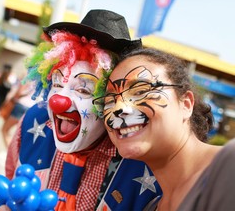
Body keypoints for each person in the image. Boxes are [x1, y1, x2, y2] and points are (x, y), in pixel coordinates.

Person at [5, 10, 161, 211]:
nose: (60, 101)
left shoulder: (140, 158)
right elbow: (11, 178)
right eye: (58, 83)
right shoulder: (32, 121)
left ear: (113, 98)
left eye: (83, 89)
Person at [93, 47, 235, 210]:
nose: (118, 108)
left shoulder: (230, 166)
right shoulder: (153, 206)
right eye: (109, 101)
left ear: (186, 104)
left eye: (140, 91)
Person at [1, 80, 35, 148]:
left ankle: (10, 153)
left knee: (4, 130)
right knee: (21, 135)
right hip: (32, 108)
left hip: (21, 105)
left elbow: (19, 92)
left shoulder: (28, 76)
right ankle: (14, 153)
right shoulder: (44, 77)